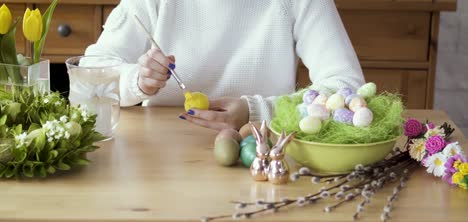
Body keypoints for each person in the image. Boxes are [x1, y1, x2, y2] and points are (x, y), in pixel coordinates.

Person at [85, 0, 365, 131]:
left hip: (265, 153)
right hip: (159, 164)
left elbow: (346, 86)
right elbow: (90, 74)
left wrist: (257, 111)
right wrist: (137, 79)